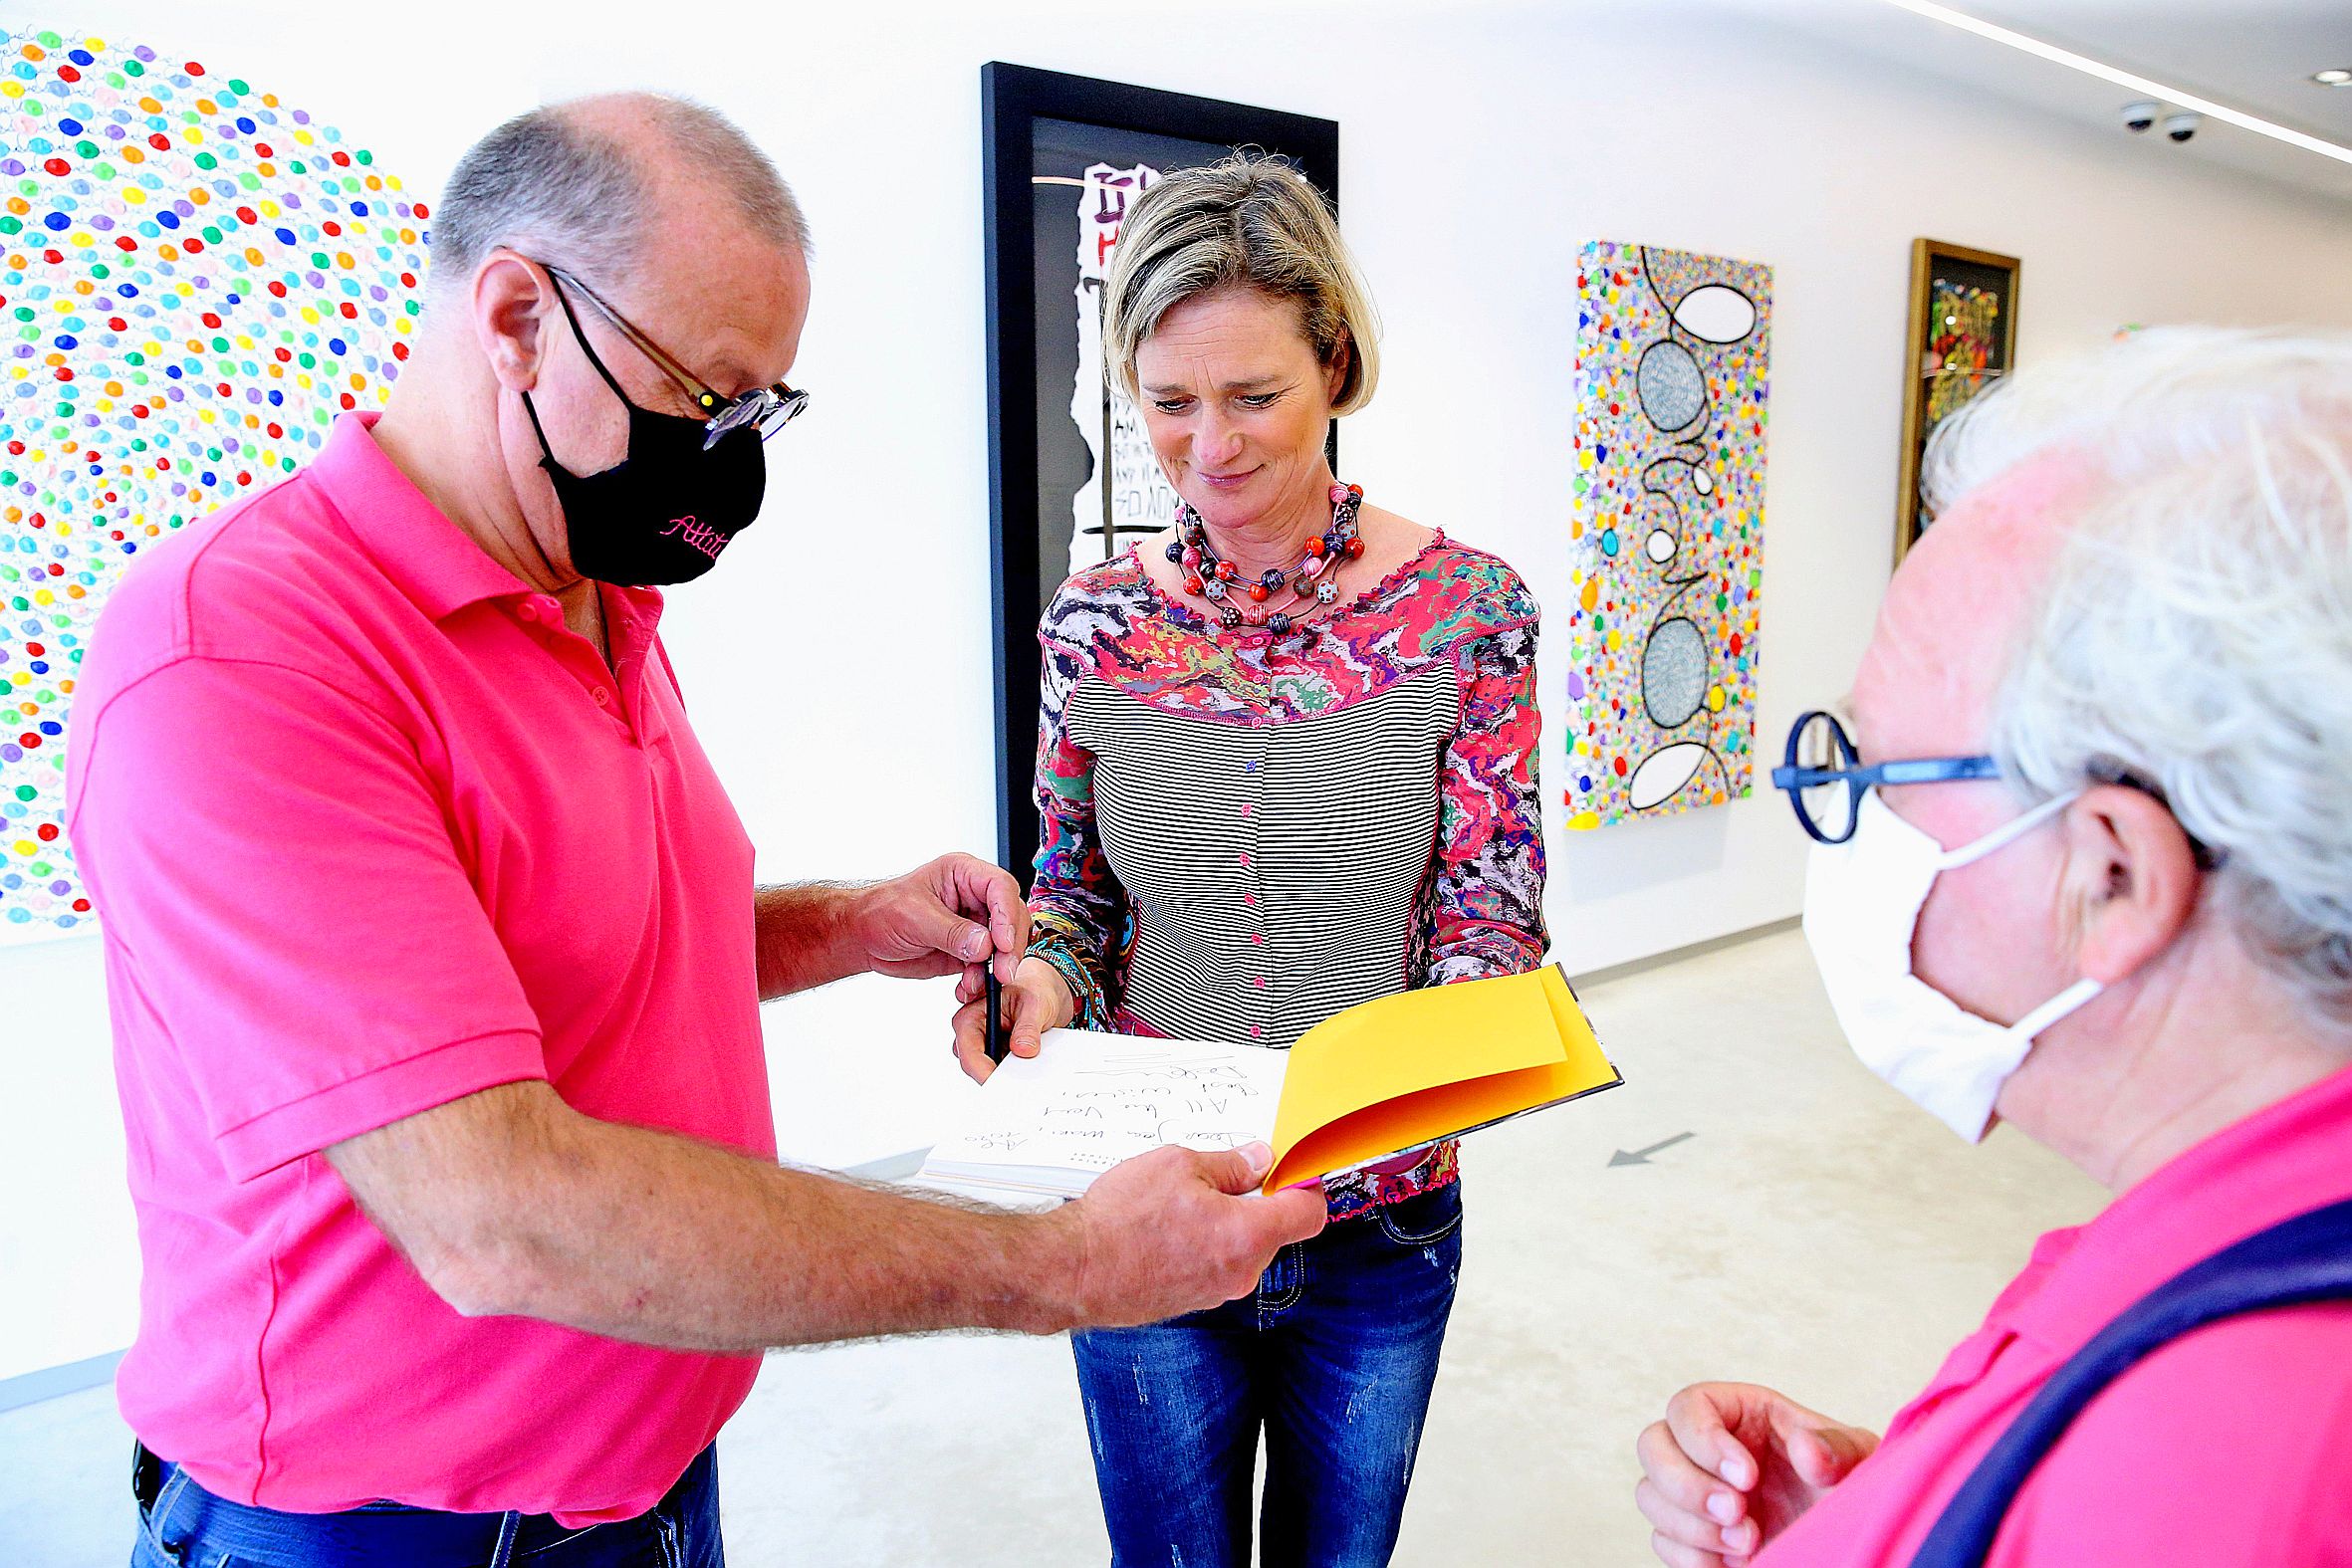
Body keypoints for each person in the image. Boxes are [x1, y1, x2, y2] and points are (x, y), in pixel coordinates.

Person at [67, 95, 1325, 1568]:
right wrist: (1062, 1264)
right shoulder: (241, 656)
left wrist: (849, 924)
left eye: (758, 411)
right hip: (382, 1528)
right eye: (704, 396)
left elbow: (563, 953)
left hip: (643, 1483)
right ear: (518, 318)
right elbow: (499, 1214)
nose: (726, 457)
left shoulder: (592, 598)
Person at [1633, 328, 2352, 1567]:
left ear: (2112, 877)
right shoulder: (2229, 1258)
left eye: (1877, 771)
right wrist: (1897, 1509)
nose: (1848, 818)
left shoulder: (2226, 1470)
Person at [950, 153, 1548, 1568]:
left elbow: (1488, 908)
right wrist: (1038, 977)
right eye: (1168, 402)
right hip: (1144, 1198)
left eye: (1251, 395)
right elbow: (1076, 890)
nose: (1208, 445)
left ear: (1333, 365)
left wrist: (1449, 1044)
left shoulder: (1468, 611)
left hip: (1375, 1219)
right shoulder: (1094, 625)